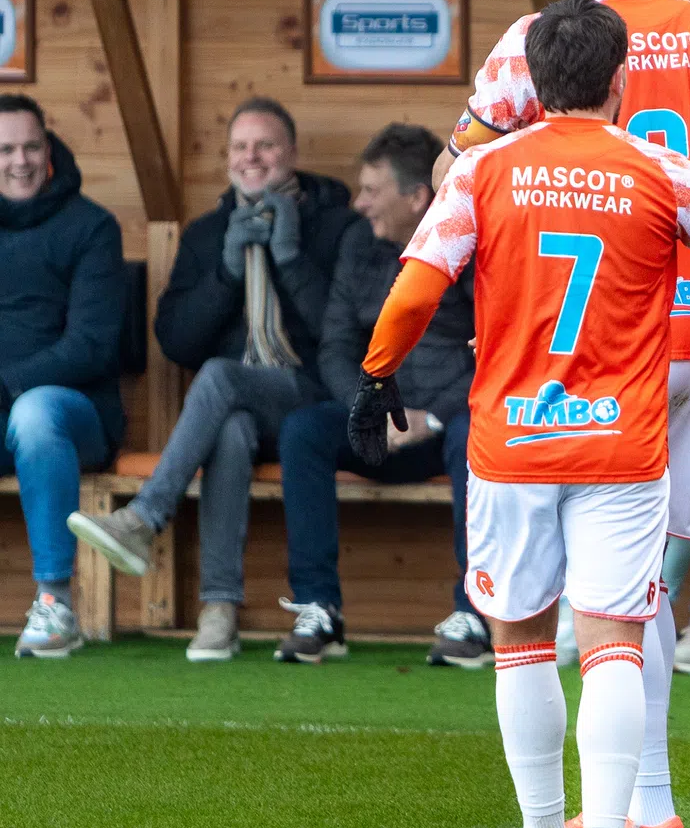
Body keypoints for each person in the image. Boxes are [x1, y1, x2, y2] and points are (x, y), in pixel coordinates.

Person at [348, 0, 690, 828]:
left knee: (520, 642)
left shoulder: (482, 170)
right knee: (614, 647)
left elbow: (415, 286)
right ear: (620, 78)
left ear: (531, 79)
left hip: (514, 444)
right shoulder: (662, 171)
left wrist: (376, 378)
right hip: (621, 447)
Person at [445, 0, 690, 828]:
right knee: (650, 580)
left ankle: (616, 812)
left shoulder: (530, 42)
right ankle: (650, 807)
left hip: (568, 345)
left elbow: (468, 164)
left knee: (601, 603)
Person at [67, 97, 357, 661]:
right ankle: (219, 610)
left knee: (223, 378)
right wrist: (226, 271)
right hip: (240, 406)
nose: (253, 158)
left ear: (292, 154)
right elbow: (175, 341)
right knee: (228, 427)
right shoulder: (206, 234)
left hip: (315, 397)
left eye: (266, 145)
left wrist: (292, 259)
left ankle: (146, 517)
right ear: (226, 158)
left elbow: (345, 334)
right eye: (240, 147)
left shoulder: (336, 225)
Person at [274, 124, 485, 667]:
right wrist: (368, 411)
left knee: (475, 435)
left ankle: (474, 614)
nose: (359, 203)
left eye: (372, 190)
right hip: (375, 428)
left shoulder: (470, 243)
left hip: (448, 427)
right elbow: (336, 346)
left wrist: (432, 419)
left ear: (418, 197)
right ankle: (320, 608)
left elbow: (491, 351)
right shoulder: (358, 243)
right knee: (303, 432)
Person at [1, 95, 125, 659]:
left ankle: (55, 606)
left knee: (34, 412)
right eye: (5, 149)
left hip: (75, 417)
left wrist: (8, 384)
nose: (19, 161)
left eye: (30, 146)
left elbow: (92, 346)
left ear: (48, 150)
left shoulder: (91, 226)